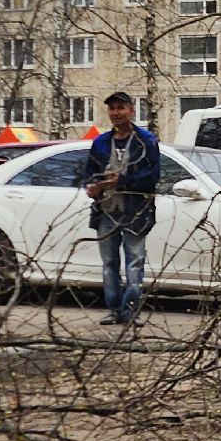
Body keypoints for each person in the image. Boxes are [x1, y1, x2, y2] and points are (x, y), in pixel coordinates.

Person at [76, 92, 160, 326]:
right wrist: (93, 187)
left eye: (121, 108)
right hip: (106, 209)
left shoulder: (146, 141)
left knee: (135, 261)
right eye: (112, 108)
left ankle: (131, 311)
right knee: (109, 262)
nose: (116, 113)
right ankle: (113, 310)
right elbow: (89, 174)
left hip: (136, 210)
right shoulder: (101, 142)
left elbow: (153, 176)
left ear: (131, 110)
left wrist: (122, 181)